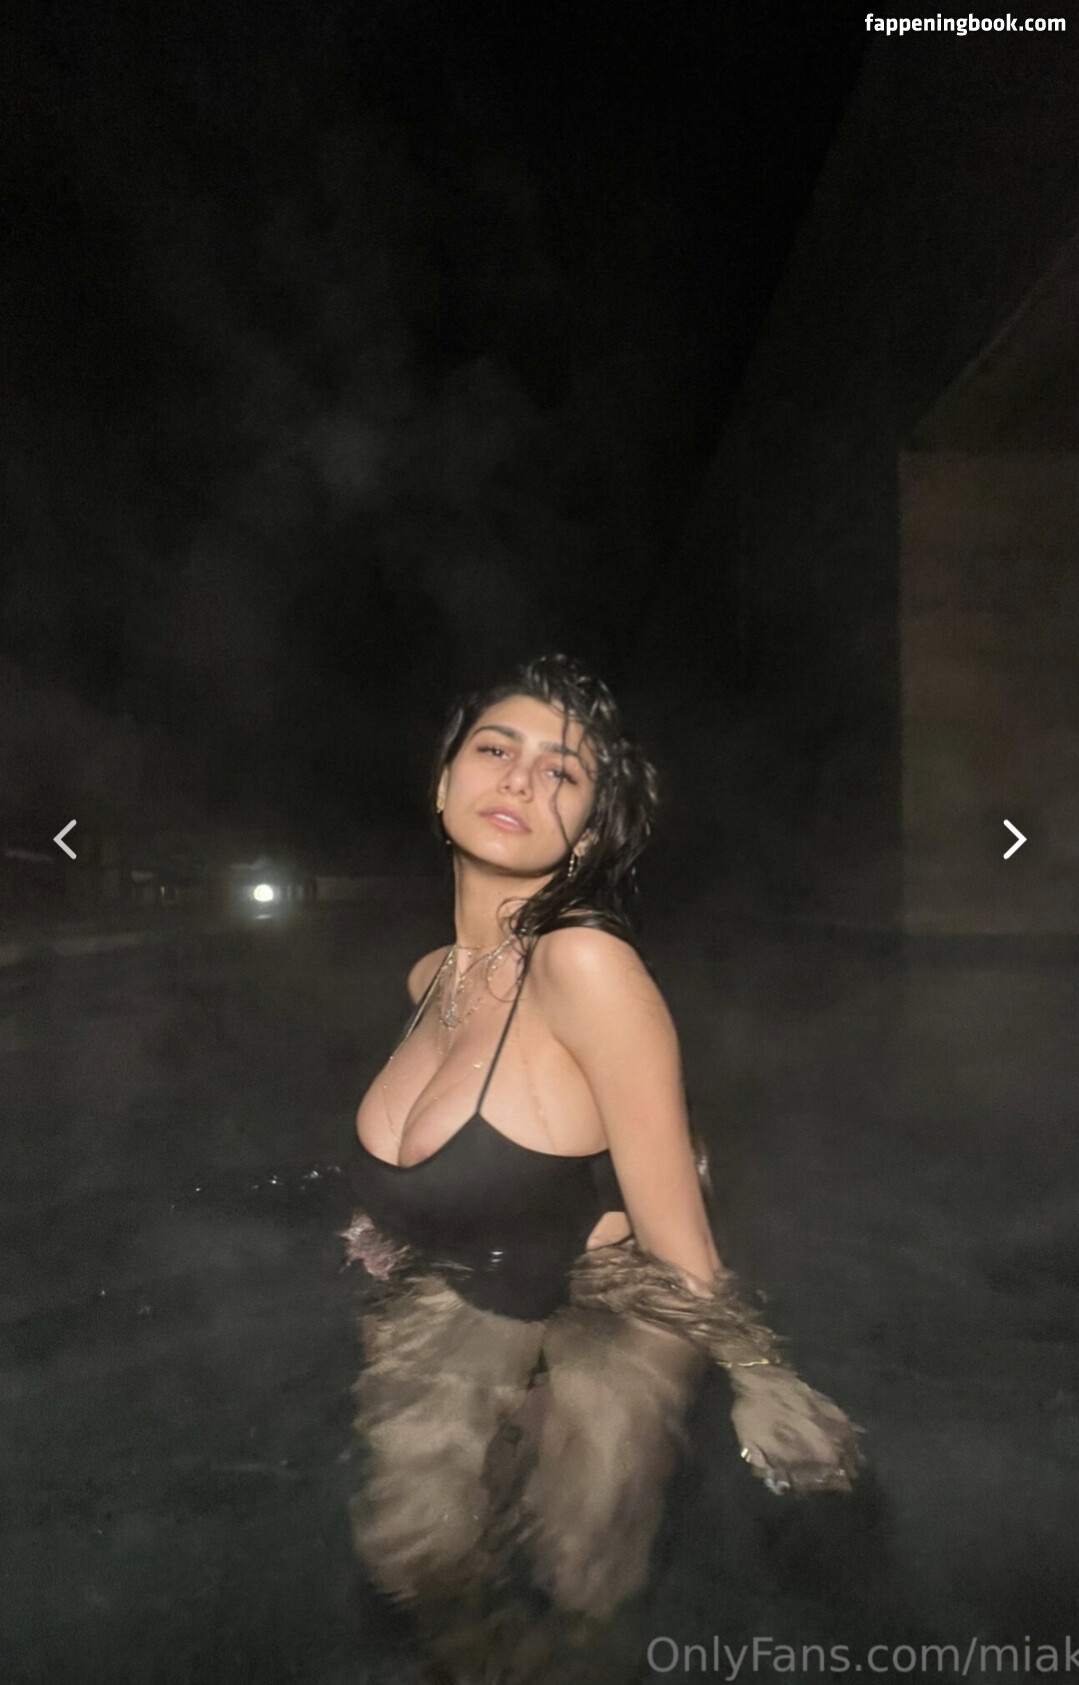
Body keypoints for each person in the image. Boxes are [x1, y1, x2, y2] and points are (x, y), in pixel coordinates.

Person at [341, 653, 865, 1684]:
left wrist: (759, 1372)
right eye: (496, 748)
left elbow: (677, 1221)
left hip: (614, 1304)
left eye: (563, 771)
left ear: (587, 832)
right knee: (414, 1554)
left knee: (581, 1575)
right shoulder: (429, 978)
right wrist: (389, 1233)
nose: (522, 778)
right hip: (463, 1290)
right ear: (442, 783)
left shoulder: (586, 965)